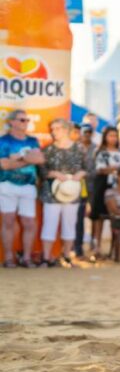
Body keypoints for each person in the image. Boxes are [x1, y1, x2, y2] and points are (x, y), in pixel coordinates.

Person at [38, 118, 87, 268]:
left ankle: (67, 256)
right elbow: (41, 170)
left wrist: (80, 174)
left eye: (58, 128)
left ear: (66, 129)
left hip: (71, 193)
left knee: (69, 224)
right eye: (53, 129)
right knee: (49, 224)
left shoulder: (79, 148)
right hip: (51, 192)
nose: (54, 132)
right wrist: (52, 173)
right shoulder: (48, 149)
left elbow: (88, 167)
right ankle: (46, 258)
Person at [0, 109, 45, 267]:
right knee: (8, 221)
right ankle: (8, 258)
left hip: (28, 186)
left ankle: (26, 258)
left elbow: (39, 159)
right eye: (21, 120)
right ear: (11, 122)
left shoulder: (33, 140)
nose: (25, 123)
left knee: (29, 223)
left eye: (26, 120)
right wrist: (28, 159)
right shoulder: (3, 141)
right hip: (7, 185)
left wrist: (19, 158)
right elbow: (4, 165)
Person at [90, 126, 120, 259]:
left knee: (115, 217)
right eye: (110, 135)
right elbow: (100, 169)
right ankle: (96, 248)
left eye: (115, 135)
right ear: (105, 137)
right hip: (102, 186)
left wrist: (113, 169)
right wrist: (116, 169)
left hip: (117, 188)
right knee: (99, 218)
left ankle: (114, 250)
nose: (113, 138)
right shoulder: (100, 152)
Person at [75, 123, 96, 259]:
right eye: (85, 132)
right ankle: (78, 248)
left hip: (93, 186)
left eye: (89, 132)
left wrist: (86, 173)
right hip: (78, 187)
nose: (87, 134)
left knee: (94, 218)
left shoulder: (96, 148)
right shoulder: (75, 147)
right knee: (79, 218)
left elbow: (97, 169)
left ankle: (93, 247)